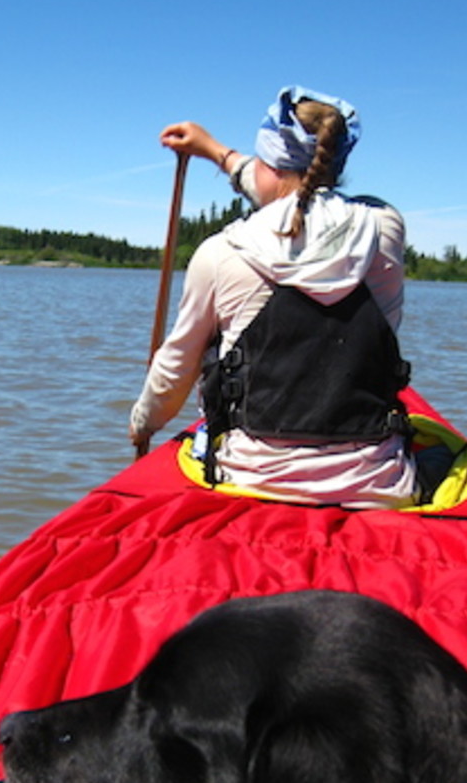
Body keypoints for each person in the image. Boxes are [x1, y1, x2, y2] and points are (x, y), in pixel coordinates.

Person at [129, 85, 417, 509]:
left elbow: (175, 371)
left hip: (249, 478)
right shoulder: (384, 229)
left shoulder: (220, 253)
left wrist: (142, 423)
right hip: (379, 482)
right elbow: (293, 189)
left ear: (272, 166)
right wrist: (214, 150)